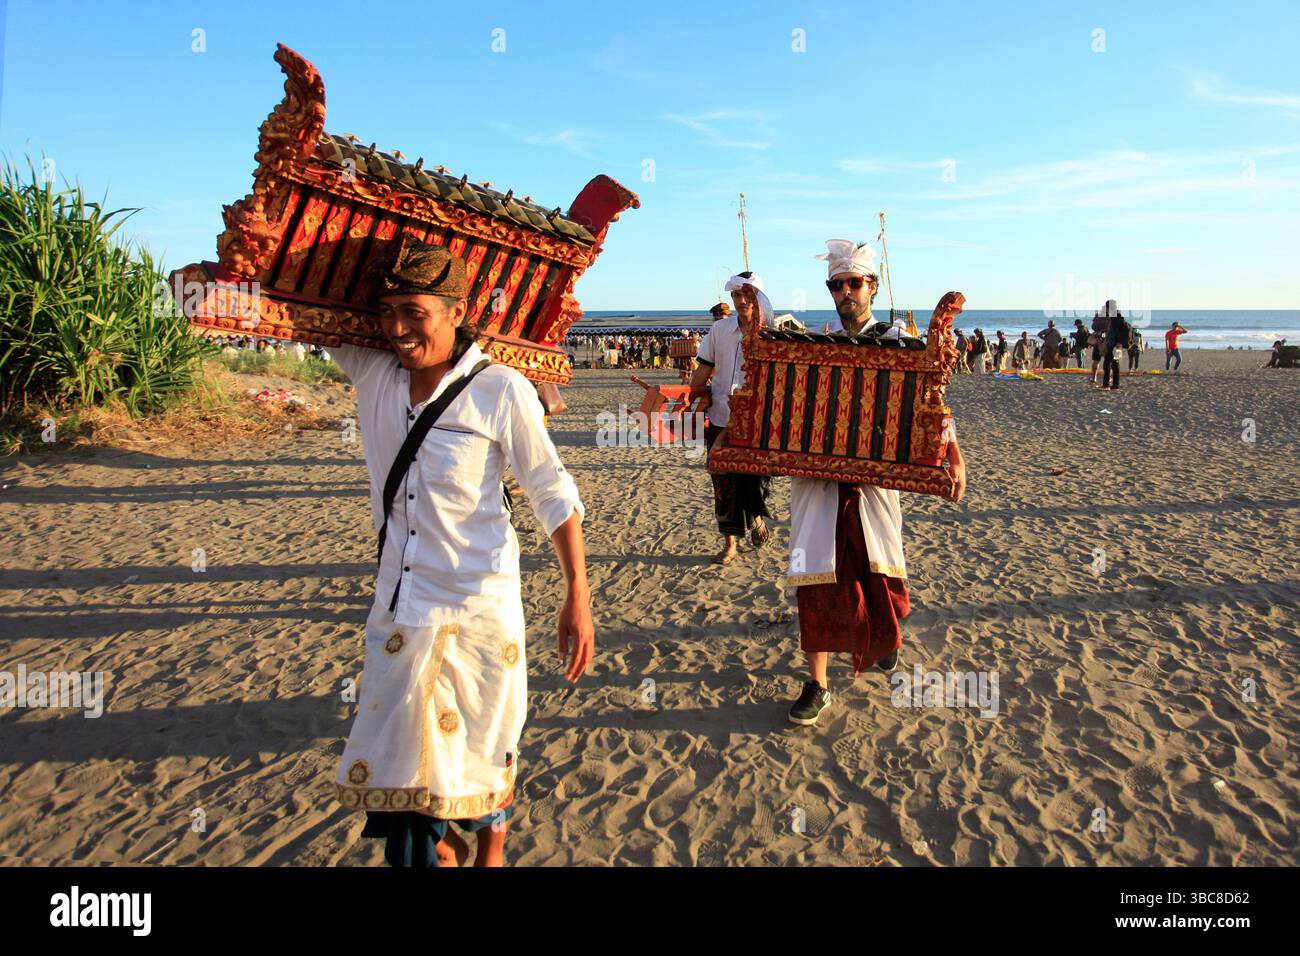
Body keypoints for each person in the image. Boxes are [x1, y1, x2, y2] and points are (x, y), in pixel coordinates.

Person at [330, 240, 593, 867]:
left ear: (456, 310)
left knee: (481, 745)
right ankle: (439, 850)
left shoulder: (500, 389)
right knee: (403, 768)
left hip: (478, 608)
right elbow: (282, 304)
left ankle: (490, 850)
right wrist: (214, 278)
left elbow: (552, 491)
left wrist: (577, 593)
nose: (397, 329)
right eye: (388, 311)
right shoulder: (373, 375)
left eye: (414, 313)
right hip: (399, 607)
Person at [783, 240, 966, 726]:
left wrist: (953, 455)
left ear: (872, 286)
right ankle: (817, 684)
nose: (845, 292)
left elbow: (934, 405)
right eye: (836, 285)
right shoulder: (811, 348)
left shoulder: (898, 342)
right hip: (817, 484)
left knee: (880, 577)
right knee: (815, 582)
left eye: (854, 283)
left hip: (874, 487)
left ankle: (879, 638)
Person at [688, 271, 775, 565]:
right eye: (736, 295)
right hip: (722, 414)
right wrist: (692, 393)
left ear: (757, 298)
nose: (740, 301)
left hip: (758, 419)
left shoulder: (771, 333)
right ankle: (730, 544)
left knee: (754, 478)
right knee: (722, 481)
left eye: (746, 295)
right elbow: (703, 369)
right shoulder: (719, 331)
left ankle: (757, 518)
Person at [1101, 307, 1130, 390]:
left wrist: (1119, 342)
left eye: (1106, 308)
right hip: (1115, 345)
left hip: (1114, 345)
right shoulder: (1116, 317)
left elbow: (1125, 330)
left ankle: (1106, 385)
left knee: (1107, 364)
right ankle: (1115, 385)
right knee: (1115, 365)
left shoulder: (1116, 318)